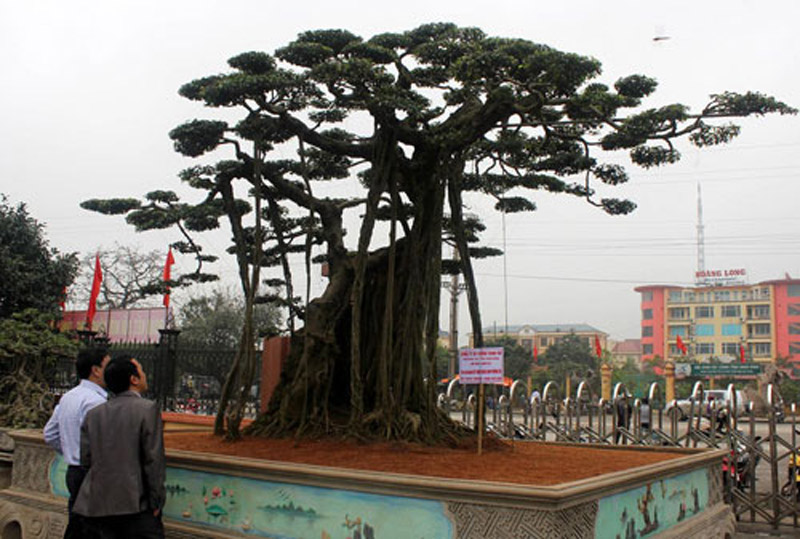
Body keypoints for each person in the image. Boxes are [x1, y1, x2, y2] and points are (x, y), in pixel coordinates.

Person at [74, 355, 166, 539]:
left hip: (97, 503)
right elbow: (153, 460)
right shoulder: (147, 409)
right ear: (134, 379)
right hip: (135, 504)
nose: (145, 375)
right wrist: (156, 501)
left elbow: (86, 459)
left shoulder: (94, 414)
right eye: (141, 371)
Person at [43, 346, 110, 537]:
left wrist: (70, 451)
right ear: (96, 370)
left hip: (73, 470)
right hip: (92, 473)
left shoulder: (68, 397)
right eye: (108, 365)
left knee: (76, 523)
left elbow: (49, 434)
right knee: (91, 529)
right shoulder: (95, 402)